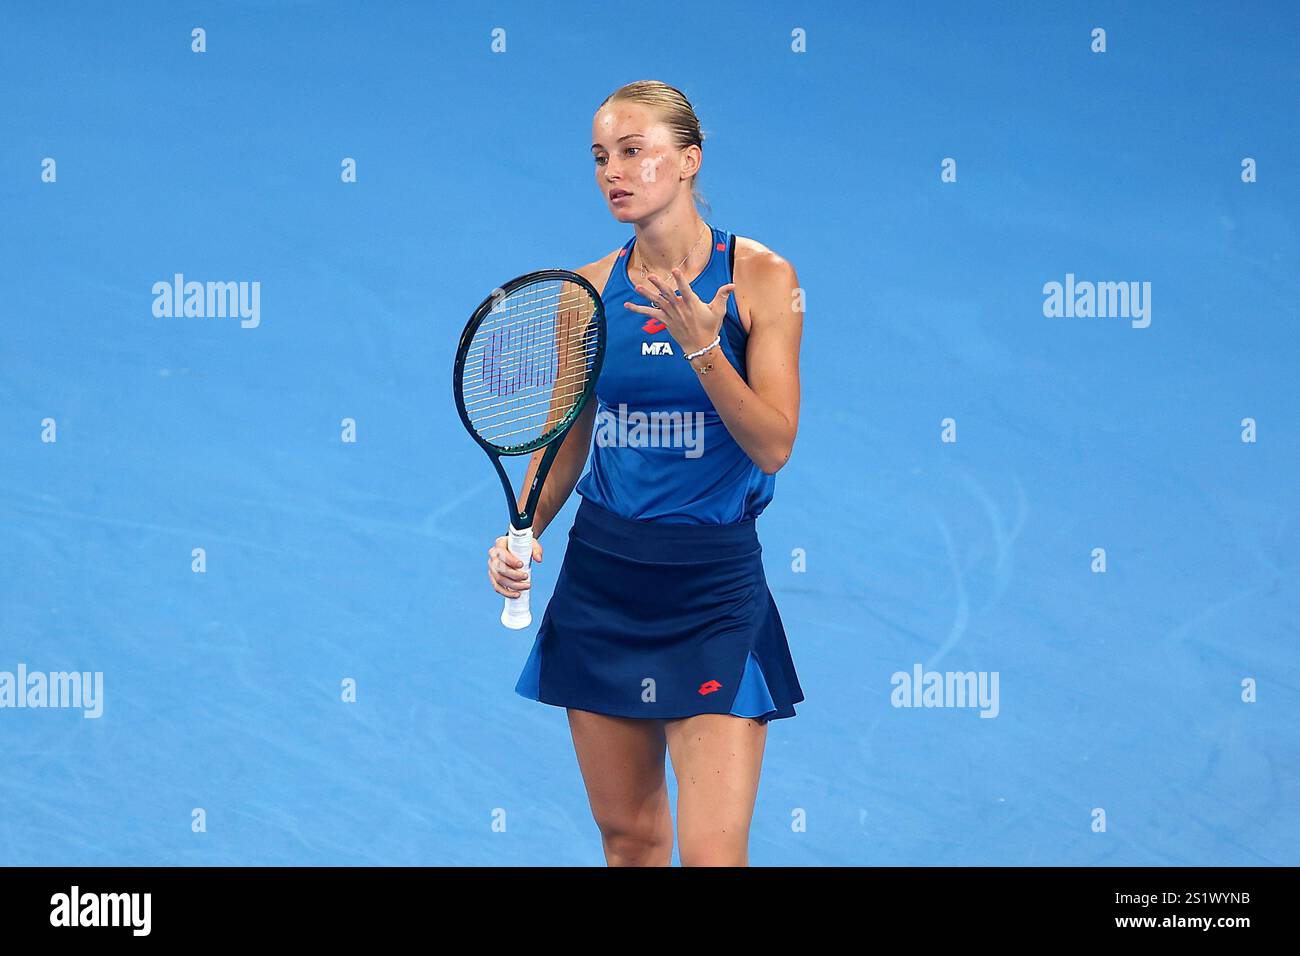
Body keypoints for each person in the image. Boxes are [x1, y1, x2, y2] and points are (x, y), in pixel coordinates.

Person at [487, 79, 804, 866]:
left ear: (689, 161)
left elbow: (773, 444)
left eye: (635, 152)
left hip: (713, 591)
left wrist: (703, 346)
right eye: (601, 157)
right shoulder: (587, 292)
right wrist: (523, 528)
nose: (613, 172)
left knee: (712, 856)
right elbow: (566, 439)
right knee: (630, 842)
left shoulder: (763, 279)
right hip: (604, 583)